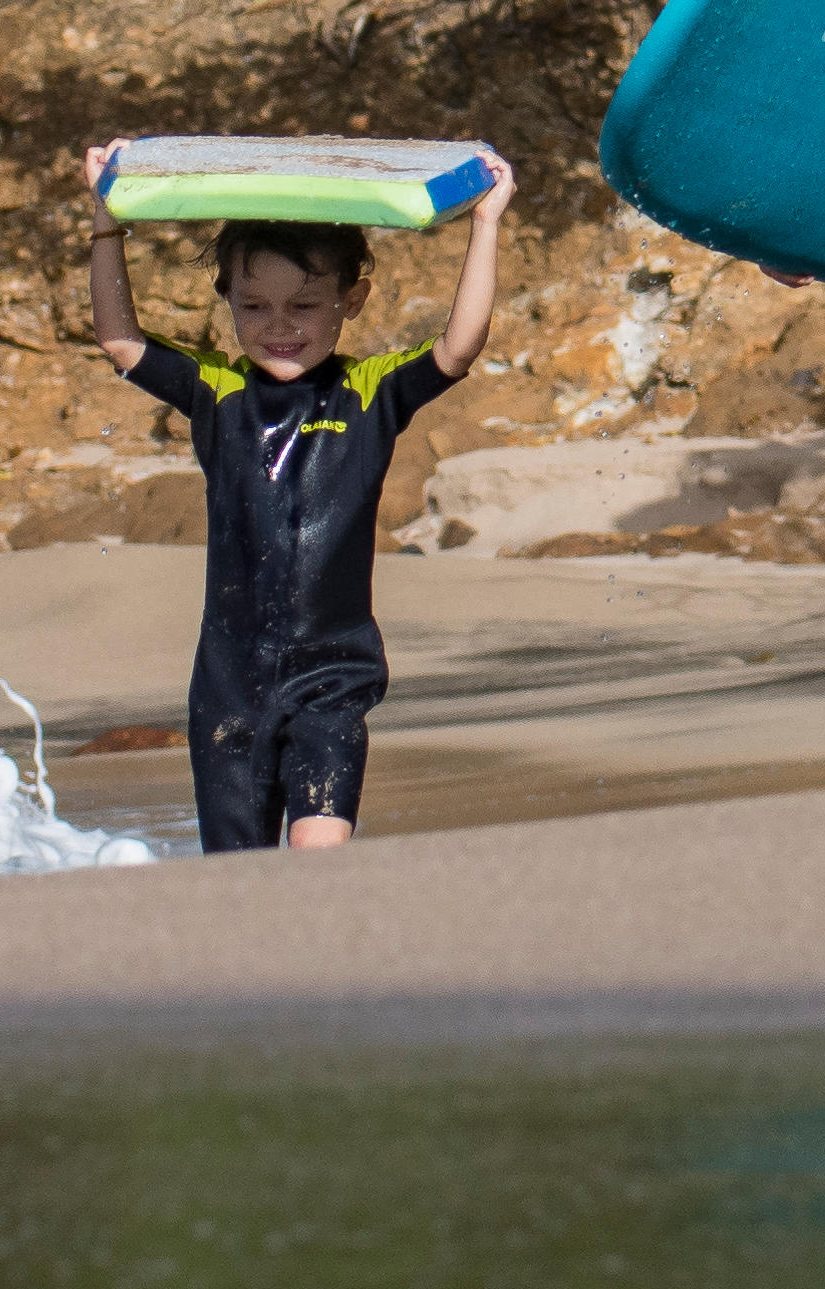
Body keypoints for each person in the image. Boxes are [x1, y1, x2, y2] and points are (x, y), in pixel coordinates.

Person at [80, 147, 514, 851]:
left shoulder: (369, 391)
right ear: (226, 300)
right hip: (229, 691)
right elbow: (120, 340)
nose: (279, 325)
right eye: (254, 306)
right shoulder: (216, 390)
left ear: (352, 301)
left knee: (319, 858)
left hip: (331, 680)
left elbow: (458, 348)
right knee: (241, 882)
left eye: (304, 306)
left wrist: (486, 222)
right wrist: (106, 219)